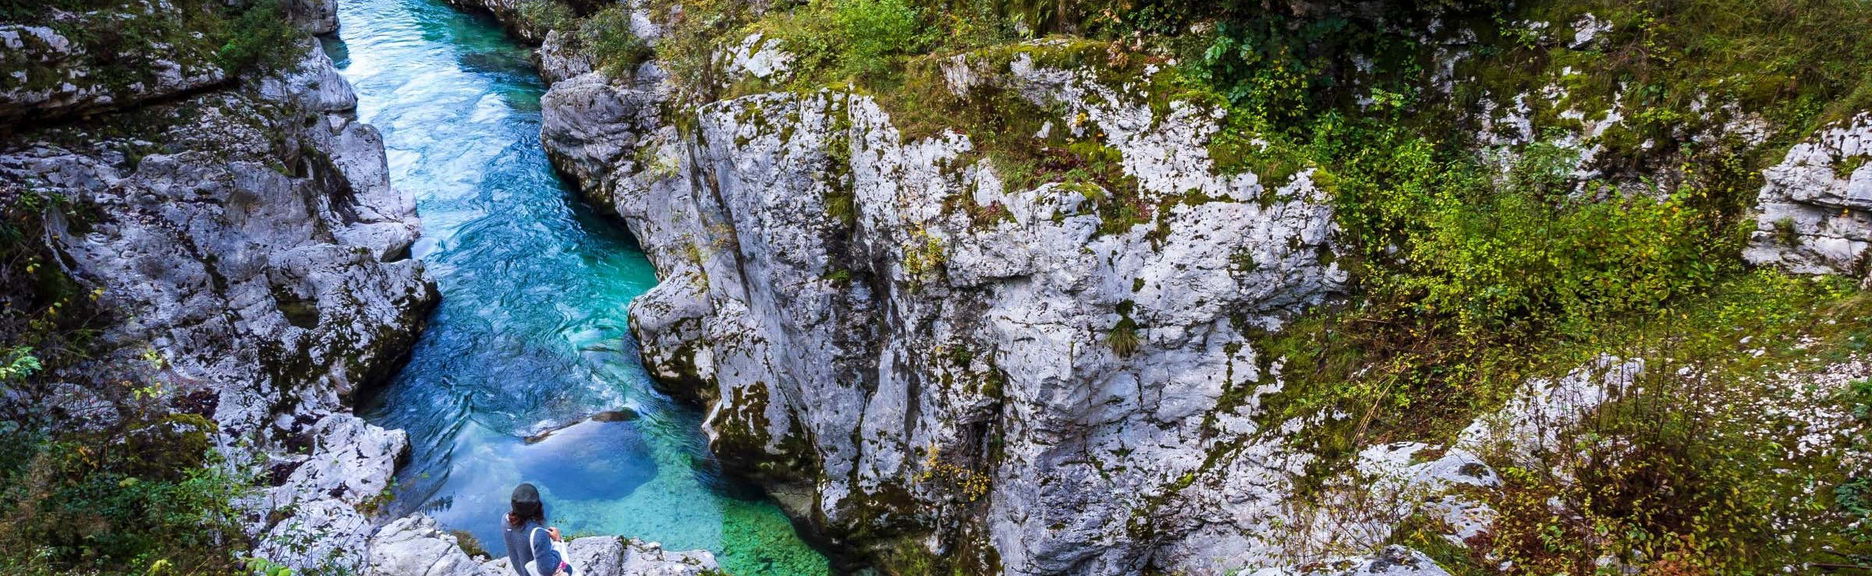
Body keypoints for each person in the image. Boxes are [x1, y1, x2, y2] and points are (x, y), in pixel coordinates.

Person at [502, 483, 572, 576]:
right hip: (533, 573)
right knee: (568, 569)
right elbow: (546, 569)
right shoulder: (538, 534)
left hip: (522, 571)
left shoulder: (505, 519)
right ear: (538, 507)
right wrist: (557, 542)